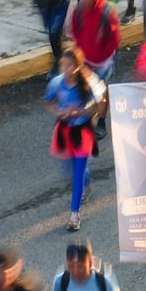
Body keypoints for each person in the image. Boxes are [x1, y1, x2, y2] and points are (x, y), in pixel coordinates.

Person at [44, 47, 106, 233]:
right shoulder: (56, 83)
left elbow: (100, 108)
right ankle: (87, 183)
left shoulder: (89, 82)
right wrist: (59, 112)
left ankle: (74, 214)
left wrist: (79, 112)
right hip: (64, 131)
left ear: (77, 67)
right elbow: (48, 103)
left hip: (83, 132)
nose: (64, 69)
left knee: (77, 172)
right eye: (62, 64)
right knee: (71, 168)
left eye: (68, 65)